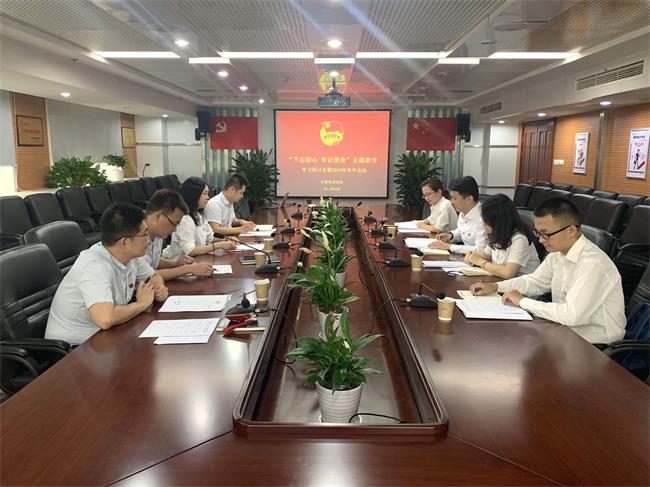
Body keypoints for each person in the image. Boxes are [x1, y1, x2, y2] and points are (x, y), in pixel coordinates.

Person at [470, 198, 625, 344]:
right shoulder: (557, 254)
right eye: (538, 233)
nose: (541, 240)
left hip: (595, 344)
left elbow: (571, 315)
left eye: (546, 234)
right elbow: (533, 282)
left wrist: (522, 301)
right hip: (564, 330)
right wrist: (496, 287)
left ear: (571, 230)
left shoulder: (593, 263)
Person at [45, 203, 167, 345]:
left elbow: (153, 276)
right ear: (124, 242)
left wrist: (159, 289)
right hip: (74, 348)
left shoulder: (130, 256)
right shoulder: (94, 266)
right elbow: (105, 318)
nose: (148, 239)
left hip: (105, 337)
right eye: (144, 234)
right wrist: (142, 304)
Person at [141, 189, 214, 280]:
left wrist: (175, 264)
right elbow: (146, 275)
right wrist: (188, 269)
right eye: (174, 223)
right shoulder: (135, 235)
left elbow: (152, 261)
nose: (175, 229)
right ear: (158, 216)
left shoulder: (157, 233)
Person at [463, 194, 540, 278]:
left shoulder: (520, 239)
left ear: (498, 221)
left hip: (522, 284)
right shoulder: (499, 234)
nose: (483, 224)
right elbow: (485, 255)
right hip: (502, 281)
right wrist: (472, 257)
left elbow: (508, 273)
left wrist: (481, 262)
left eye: (486, 220)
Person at [164, 177, 237, 260]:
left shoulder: (197, 214)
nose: (208, 197)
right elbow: (190, 251)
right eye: (204, 194)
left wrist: (226, 240)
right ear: (194, 195)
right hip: (181, 263)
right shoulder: (184, 218)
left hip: (197, 260)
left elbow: (210, 236)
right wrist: (219, 245)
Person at [428, 175, 488, 254]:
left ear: (469, 199)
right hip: (466, 257)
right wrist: (451, 235)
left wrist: (449, 247)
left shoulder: (484, 218)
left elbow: (480, 250)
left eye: (455, 198)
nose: (452, 202)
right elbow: (462, 230)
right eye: (451, 198)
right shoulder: (463, 212)